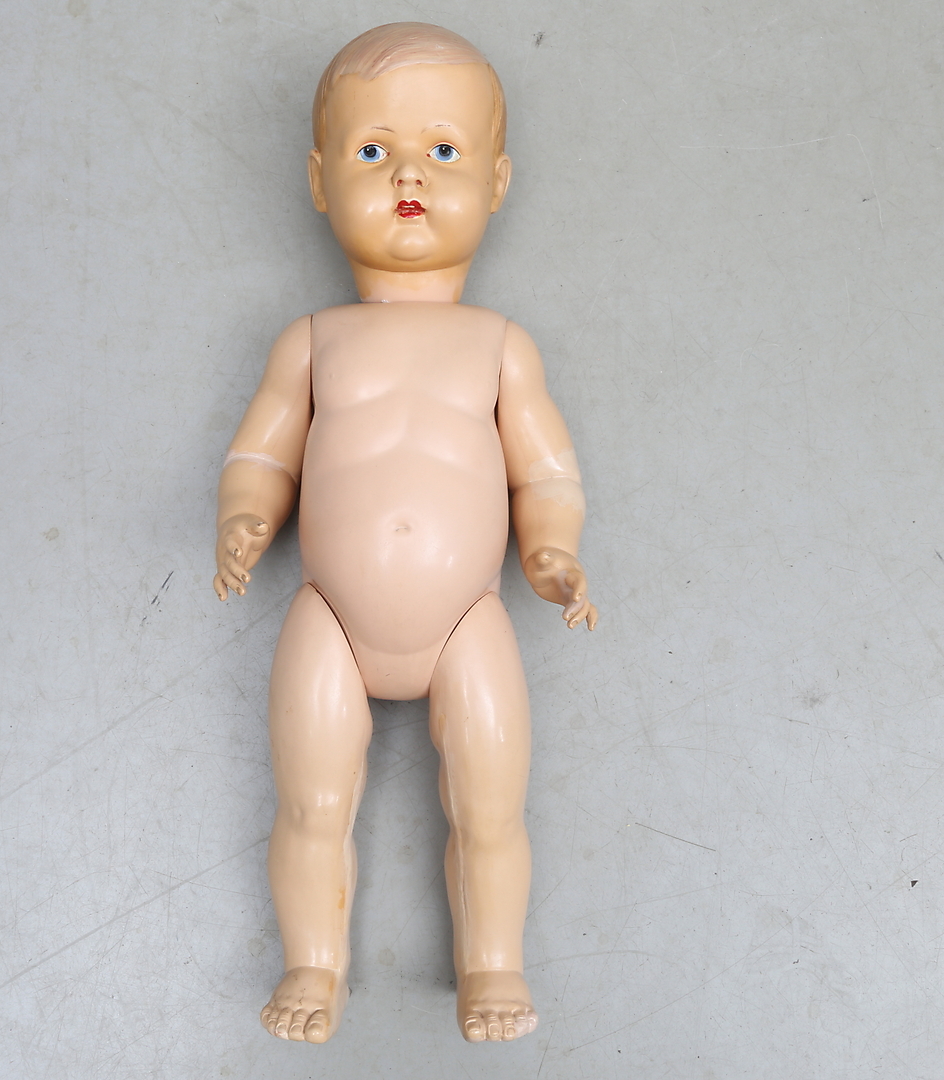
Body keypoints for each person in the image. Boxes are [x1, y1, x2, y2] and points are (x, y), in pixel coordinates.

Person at [213, 22, 598, 1043]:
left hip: (468, 616)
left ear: (498, 182)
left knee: (490, 809)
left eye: (445, 149)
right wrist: (245, 516)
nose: (408, 175)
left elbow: (546, 470)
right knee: (310, 805)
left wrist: (553, 550)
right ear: (319, 179)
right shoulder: (312, 340)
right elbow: (262, 453)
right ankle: (313, 961)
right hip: (330, 617)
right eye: (374, 150)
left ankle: (493, 965)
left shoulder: (499, 345)